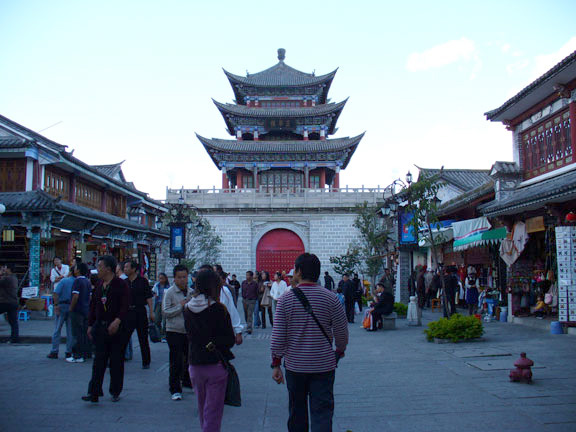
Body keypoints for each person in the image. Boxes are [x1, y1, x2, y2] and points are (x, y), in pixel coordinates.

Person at [271, 253, 349, 432]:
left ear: (298, 271)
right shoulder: (331, 298)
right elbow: (341, 332)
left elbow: (278, 337)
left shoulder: (285, 299)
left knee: (297, 412)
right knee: (322, 413)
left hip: (295, 367)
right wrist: (339, 350)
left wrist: (276, 363)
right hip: (323, 365)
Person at [184, 269, 235, 432]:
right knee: (213, 411)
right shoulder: (219, 309)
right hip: (215, 364)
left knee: (202, 408)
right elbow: (229, 340)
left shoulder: (187, 308)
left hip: (195, 364)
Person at [83, 255, 131, 403]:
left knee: (116, 360)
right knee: (99, 360)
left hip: (117, 328)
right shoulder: (98, 284)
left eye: (100, 267)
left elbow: (125, 305)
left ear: (108, 269)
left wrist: (117, 321)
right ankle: (94, 392)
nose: (98, 270)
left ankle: (115, 390)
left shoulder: (121, 284)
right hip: (100, 326)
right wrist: (90, 325)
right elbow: (93, 306)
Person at [162, 265, 194, 401]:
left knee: (189, 358)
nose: (182, 280)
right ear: (174, 278)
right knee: (176, 360)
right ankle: (174, 388)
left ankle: (187, 380)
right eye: (179, 277)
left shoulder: (192, 292)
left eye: (184, 277)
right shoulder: (169, 292)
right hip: (174, 330)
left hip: (189, 331)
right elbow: (165, 312)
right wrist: (180, 306)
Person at [124, 260, 154, 369]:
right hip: (128, 313)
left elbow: (149, 297)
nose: (125, 269)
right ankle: (118, 358)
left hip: (140, 311)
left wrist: (151, 311)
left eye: (127, 267)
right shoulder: (125, 282)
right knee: (124, 337)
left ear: (133, 269)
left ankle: (146, 361)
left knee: (143, 338)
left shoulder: (142, 281)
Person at [47, 267, 75, 360]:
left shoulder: (64, 281)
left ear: (70, 272)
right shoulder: (77, 282)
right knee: (70, 331)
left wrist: (56, 305)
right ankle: (68, 351)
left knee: (57, 329)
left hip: (62, 306)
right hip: (71, 307)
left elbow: (55, 293)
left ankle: (54, 351)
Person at [68, 263, 92, 362]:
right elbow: (90, 297)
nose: (74, 269)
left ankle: (77, 355)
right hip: (86, 310)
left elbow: (75, 296)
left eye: (76, 267)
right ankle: (86, 353)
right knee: (84, 332)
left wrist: (71, 308)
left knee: (76, 333)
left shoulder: (77, 281)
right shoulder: (87, 281)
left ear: (78, 270)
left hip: (77, 310)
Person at [0, 265, 20, 343]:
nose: (5, 270)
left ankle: (14, 338)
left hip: (5, 302)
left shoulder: (7, 278)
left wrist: (1, 273)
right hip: (13, 302)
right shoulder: (14, 278)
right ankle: (14, 338)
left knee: (13, 321)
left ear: (9, 270)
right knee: (13, 321)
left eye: (6, 269)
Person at [153, 272, 170, 340]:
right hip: (158, 303)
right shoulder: (156, 285)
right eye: (159, 278)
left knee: (165, 321)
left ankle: (164, 335)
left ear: (165, 279)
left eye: (162, 278)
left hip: (165, 304)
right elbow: (153, 293)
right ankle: (159, 334)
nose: (161, 280)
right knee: (157, 320)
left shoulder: (168, 287)